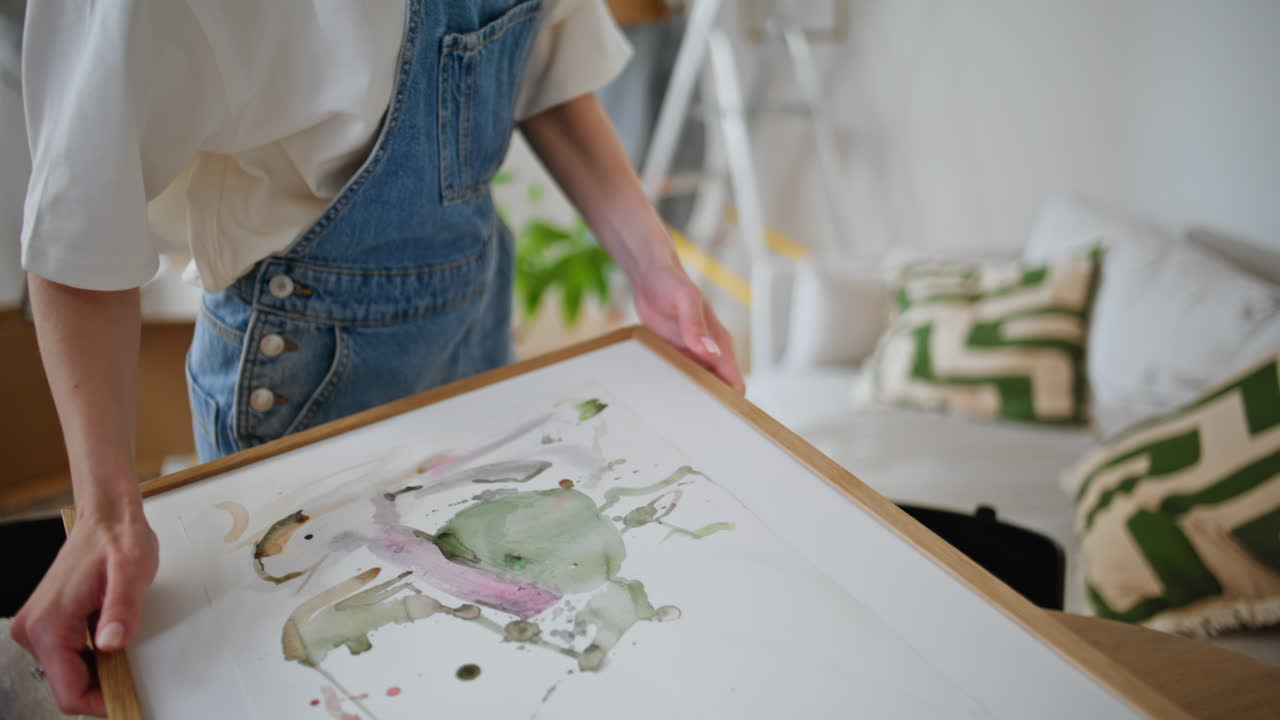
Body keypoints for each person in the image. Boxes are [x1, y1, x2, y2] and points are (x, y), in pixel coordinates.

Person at [11, 0, 743, 714]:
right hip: (309, 370)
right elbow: (81, 232)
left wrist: (656, 270)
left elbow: (546, 67)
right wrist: (106, 509)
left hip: (471, 326)